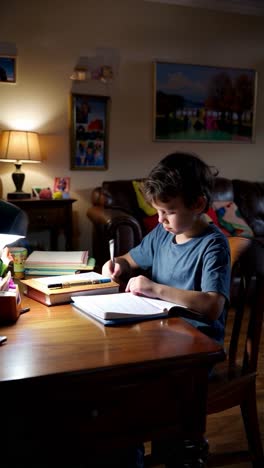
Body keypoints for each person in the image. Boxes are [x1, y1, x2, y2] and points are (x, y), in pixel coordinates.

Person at [102, 151, 231, 467]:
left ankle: (165, 448)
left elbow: (213, 305)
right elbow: (132, 259)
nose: (160, 220)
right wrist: (117, 264)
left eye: (168, 212)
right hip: (160, 342)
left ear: (198, 205)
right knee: (114, 383)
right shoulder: (163, 233)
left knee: (137, 398)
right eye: (157, 211)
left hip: (195, 352)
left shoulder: (213, 245)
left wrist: (155, 289)